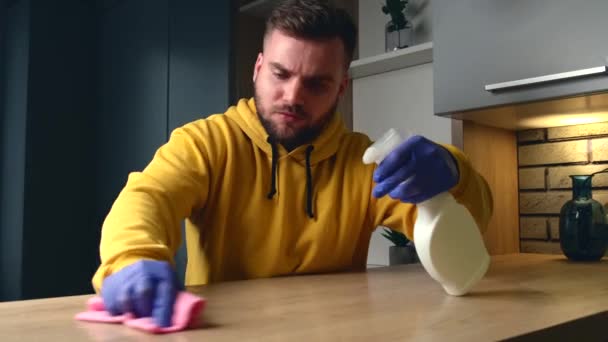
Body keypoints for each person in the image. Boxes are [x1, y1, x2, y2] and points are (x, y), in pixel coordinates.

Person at [93, 0, 493, 328]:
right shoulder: (207, 143)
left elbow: (468, 228)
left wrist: (452, 169)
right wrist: (133, 259)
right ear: (257, 69)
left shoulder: (364, 163)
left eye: (317, 83)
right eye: (280, 74)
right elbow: (148, 197)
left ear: (340, 88)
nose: (292, 96)